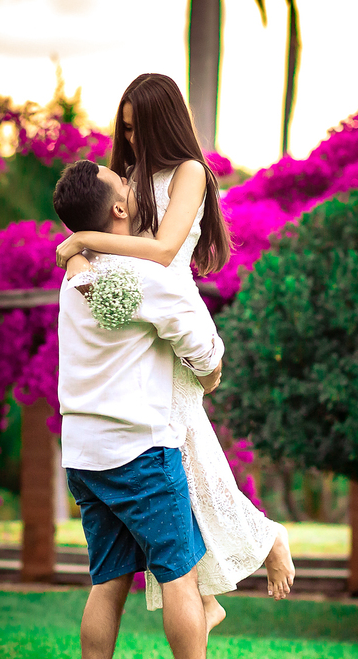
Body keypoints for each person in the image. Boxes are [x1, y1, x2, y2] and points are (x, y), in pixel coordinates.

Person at [56, 73, 295, 623]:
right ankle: (208, 591)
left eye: (140, 130)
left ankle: (258, 544)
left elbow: (161, 250)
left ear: (165, 123)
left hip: (167, 304)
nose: (133, 142)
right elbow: (96, 224)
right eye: (126, 131)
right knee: (184, 458)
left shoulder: (190, 172)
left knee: (188, 456)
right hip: (143, 316)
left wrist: (82, 242)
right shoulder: (127, 178)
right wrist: (75, 257)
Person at [54, 160, 233, 659]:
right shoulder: (147, 278)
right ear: (121, 210)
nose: (132, 183)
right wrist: (207, 375)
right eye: (122, 182)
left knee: (108, 580)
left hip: (83, 454)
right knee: (181, 579)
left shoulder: (77, 276)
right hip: (140, 451)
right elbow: (206, 355)